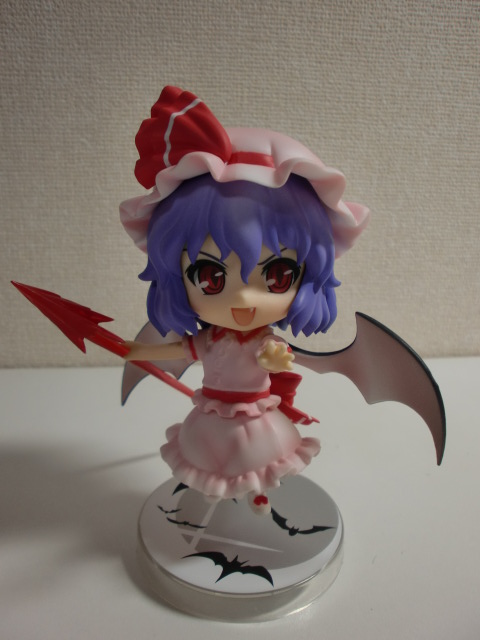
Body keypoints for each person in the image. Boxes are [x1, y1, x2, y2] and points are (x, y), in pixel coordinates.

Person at [120, 86, 369, 513]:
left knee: (257, 462)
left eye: (277, 275)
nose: (244, 299)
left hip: (254, 419)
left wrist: (276, 358)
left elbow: (277, 358)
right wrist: (134, 351)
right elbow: (177, 350)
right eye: (210, 277)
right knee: (208, 465)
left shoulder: (262, 341)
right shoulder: (211, 340)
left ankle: (257, 496)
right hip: (210, 417)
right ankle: (214, 505)